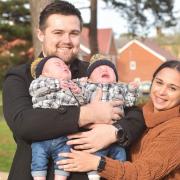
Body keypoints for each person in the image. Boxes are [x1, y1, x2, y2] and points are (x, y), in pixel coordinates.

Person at [2, 1, 145, 180]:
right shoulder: (20, 76)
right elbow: (24, 123)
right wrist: (88, 114)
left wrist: (115, 132)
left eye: (74, 33)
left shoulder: (96, 72)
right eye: (58, 32)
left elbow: (136, 116)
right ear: (40, 34)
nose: (67, 41)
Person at [58, 60, 180, 180]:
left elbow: (142, 174)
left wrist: (96, 163)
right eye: (159, 83)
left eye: (172, 88)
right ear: (152, 82)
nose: (162, 92)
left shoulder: (176, 130)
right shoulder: (143, 113)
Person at [29, 54, 139, 180]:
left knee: (65, 160)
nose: (63, 66)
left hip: (72, 138)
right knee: (40, 158)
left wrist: (132, 90)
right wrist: (60, 84)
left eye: (65, 65)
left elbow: (133, 109)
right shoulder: (40, 82)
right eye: (58, 64)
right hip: (51, 135)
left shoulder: (118, 88)